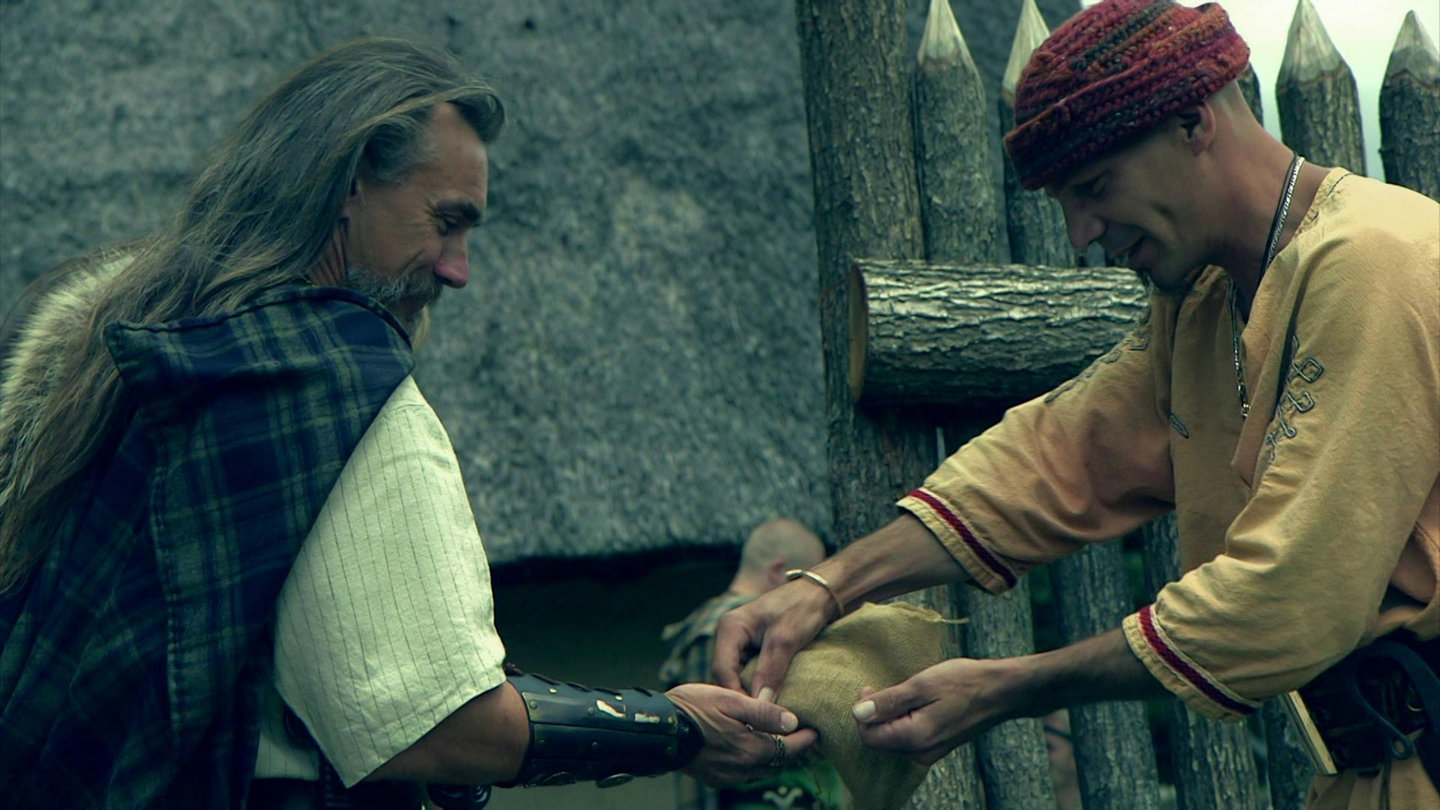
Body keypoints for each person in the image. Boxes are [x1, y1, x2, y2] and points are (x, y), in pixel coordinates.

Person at [0, 37, 816, 809]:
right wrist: (674, 729)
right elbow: (431, 722)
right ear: (347, 184)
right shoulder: (327, 380)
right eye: (445, 221)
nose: (458, 270)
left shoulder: (137, 367)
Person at [712, 1, 1439, 808]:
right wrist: (828, 584)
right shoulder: (1205, 303)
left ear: (1193, 123)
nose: (1082, 234)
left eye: (1094, 187)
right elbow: (1057, 456)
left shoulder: (1374, 263)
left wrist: (1007, 688)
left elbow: (1289, 597)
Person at [659, 518, 845, 810]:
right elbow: (706, 745)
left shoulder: (706, 627)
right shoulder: (729, 632)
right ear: (779, 572)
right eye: (806, 584)